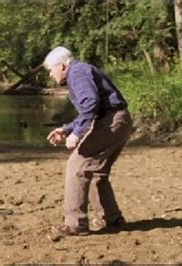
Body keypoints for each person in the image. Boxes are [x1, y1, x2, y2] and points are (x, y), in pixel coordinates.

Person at [44, 46, 133, 239]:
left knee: (77, 165)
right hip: (119, 120)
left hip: (112, 121)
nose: (50, 74)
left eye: (51, 69)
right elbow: (91, 108)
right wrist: (67, 128)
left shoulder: (77, 72)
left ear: (61, 65)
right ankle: (111, 218)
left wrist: (77, 133)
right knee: (98, 172)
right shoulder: (80, 71)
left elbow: (90, 103)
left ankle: (75, 223)